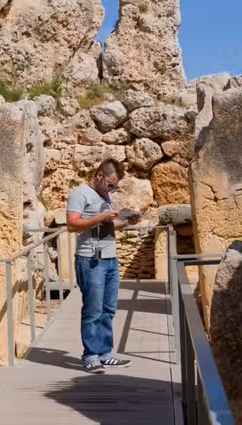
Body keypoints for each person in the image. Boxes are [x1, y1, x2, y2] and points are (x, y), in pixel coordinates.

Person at [66, 158, 140, 374]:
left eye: (115, 186)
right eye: (111, 184)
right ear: (99, 175)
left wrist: (126, 222)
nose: (113, 189)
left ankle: (105, 354)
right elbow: (72, 224)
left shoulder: (105, 197)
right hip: (91, 260)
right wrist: (100, 217)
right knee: (93, 310)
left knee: (108, 309)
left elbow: (108, 224)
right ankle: (90, 355)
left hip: (110, 259)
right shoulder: (79, 194)